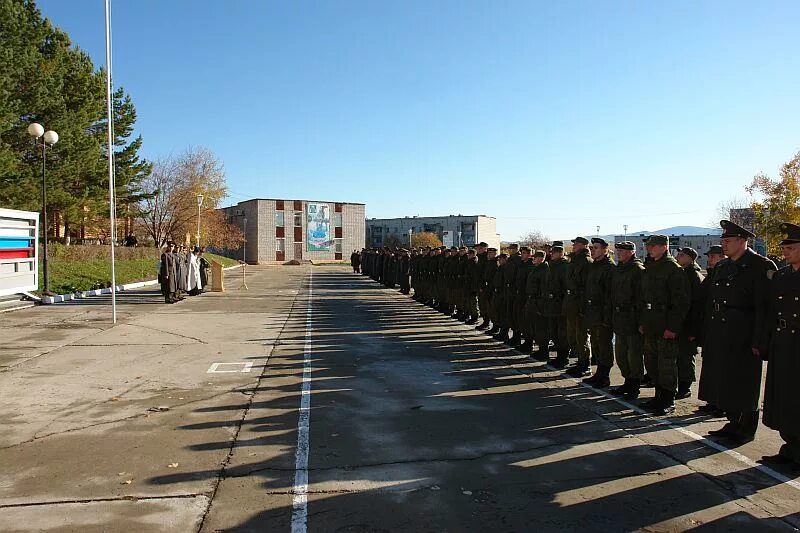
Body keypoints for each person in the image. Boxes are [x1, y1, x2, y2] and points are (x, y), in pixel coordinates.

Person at [703, 220, 776, 443]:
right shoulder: (723, 267)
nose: (724, 245)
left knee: (744, 381)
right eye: (722, 241)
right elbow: (710, 300)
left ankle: (746, 427)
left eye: (728, 241)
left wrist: (759, 339)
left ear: (742, 241)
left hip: (744, 331)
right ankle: (733, 421)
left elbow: (765, 308)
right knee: (724, 379)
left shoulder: (760, 266)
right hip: (721, 330)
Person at [762, 222, 800, 466]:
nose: (785, 251)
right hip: (783, 340)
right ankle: (791, 446)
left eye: (791, 247)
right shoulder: (784, 274)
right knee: (784, 394)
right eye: (784, 247)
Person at [639, 234, 690, 415]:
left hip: (665, 322)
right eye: (649, 246)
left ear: (664, 247)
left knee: (666, 363)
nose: (649, 249)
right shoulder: (650, 267)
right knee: (652, 362)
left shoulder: (673, 269)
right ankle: (658, 396)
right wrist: (643, 322)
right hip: (651, 322)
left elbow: (680, 302)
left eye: (653, 246)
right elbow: (643, 298)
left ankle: (668, 399)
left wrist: (673, 327)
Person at [610, 241, 646, 400]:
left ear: (631, 252)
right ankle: (627, 380)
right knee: (621, 353)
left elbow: (641, 297)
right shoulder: (619, 269)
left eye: (623, 251)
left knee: (634, 354)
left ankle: (635, 385)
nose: (619, 253)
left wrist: (641, 321)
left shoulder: (637, 269)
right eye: (618, 250)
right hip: (620, 317)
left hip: (632, 317)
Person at [697, 244, 726, 414]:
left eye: (713, 257)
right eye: (709, 257)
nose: (709, 260)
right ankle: (712, 401)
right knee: (710, 367)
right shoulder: (712, 274)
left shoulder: (723, 273)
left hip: (720, 326)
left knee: (720, 368)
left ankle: (720, 403)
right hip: (710, 325)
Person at [583, 238, 615, 388]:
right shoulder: (594, 266)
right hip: (593, 312)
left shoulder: (609, 268)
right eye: (591, 247)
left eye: (595, 247)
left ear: (604, 250)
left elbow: (610, 296)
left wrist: (607, 317)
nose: (592, 250)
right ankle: (599, 374)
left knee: (604, 345)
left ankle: (604, 376)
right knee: (596, 344)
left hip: (603, 313)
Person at [675, 247, 705, 400]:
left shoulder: (693, 276)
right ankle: (681, 384)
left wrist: (694, 330)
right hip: (682, 323)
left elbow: (696, 306)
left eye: (682, 255)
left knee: (686, 357)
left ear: (690, 258)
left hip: (689, 324)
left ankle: (685, 386)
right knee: (679, 356)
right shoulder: (683, 273)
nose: (678, 257)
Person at [565, 236, 593, 377]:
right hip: (572, 302)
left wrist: (583, 307)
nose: (573, 246)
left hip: (580, 303)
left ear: (582, 245)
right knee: (574, 335)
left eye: (576, 244)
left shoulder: (586, 262)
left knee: (582, 336)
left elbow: (587, 287)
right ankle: (580, 362)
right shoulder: (575, 260)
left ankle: (585, 365)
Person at [543, 243, 569, 367]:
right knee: (554, 331)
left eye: (554, 252)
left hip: (560, 303)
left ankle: (563, 358)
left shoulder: (564, 266)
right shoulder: (551, 265)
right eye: (551, 252)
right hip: (551, 303)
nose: (551, 254)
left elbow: (565, 287)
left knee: (562, 332)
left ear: (560, 253)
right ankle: (559, 356)